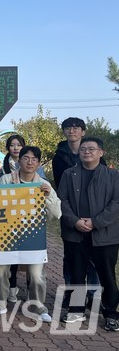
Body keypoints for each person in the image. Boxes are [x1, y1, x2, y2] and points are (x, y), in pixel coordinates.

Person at [0, 146, 61, 323]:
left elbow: (56, 214)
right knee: (0, 271)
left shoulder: (44, 185)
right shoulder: (5, 180)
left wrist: (49, 195)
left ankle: (37, 305)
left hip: (32, 236)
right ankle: (0, 303)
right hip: (6, 236)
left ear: (38, 163)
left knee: (36, 275)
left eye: (34, 159)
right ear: (18, 160)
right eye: (26, 158)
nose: (29, 162)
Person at [58, 137, 119, 331]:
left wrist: (96, 222)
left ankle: (110, 313)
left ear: (101, 152)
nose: (86, 152)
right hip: (75, 233)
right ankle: (76, 310)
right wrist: (75, 221)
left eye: (91, 149)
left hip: (105, 235)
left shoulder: (113, 175)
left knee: (107, 275)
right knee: (76, 274)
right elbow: (62, 200)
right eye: (83, 149)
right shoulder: (69, 174)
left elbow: (116, 204)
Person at [52, 117, 101, 303]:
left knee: (95, 256)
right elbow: (61, 188)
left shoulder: (96, 153)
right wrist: (71, 216)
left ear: (82, 131)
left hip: (93, 212)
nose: (71, 131)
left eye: (76, 128)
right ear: (63, 132)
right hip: (71, 212)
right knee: (71, 256)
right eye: (67, 128)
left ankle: (93, 295)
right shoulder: (59, 157)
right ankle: (72, 292)